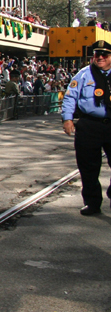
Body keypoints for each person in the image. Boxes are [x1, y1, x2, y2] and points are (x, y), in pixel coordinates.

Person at [61, 40, 111, 216]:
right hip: (89, 125)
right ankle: (92, 202)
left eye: (105, 55)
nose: (101, 58)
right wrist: (67, 119)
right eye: (97, 54)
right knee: (88, 167)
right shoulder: (83, 75)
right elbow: (69, 98)